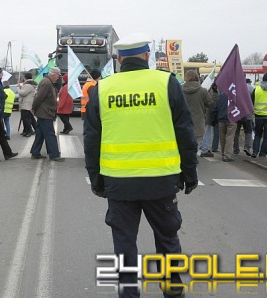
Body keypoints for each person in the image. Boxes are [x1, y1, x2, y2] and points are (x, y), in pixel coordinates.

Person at [83, 32, 198, 298]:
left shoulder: (104, 88)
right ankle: (172, 291)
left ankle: (128, 294)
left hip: (118, 183)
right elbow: (185, 133)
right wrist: (190, 174)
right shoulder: (166, 83)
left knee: (124, 245)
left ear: (119, 59)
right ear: (147, 56)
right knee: (168, 240)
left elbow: (92, 140)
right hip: (161, 181)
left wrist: (96, 180)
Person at [30, 67, 64, 161]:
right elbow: (39, 97)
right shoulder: (46, 82)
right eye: (58, 76)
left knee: (40, 134)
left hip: (44, 112)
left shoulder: (48, 82)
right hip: (45, 112)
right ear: (53, 75)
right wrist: (33, 107)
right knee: (50, 134)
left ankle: (35, 152)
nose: (58, 78)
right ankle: (54, 154)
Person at [182, 70, 211, 150]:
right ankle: (194, 159)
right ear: (197, 78)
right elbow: (210, 104)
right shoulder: (203, 91)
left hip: (183, 123)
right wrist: (214, 93)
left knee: (184, 147)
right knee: (196, 146)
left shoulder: (180, 90)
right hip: (198, 122)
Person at [212, 92, 236, 162]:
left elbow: (215, 108)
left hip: (221, 119)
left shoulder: (221, 96)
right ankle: (227, 155)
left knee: (222, 137)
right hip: (232, 118)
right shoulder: (235, 96)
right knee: (230, 137)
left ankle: (223, 153)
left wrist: (214, 119)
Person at [199, 82, 218, 157]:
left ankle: (203, 148)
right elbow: (212, 103)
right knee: (207, 133)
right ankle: (204, 149)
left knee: (203, 133)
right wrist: (216, 93)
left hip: (200, 116)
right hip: (208, 116)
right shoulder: (208, 92)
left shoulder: (202, 90)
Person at [18, 72, 37, 137]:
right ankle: (27, 130)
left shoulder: (28, 85)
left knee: (25, 118)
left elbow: (23, 93)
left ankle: (29, 130)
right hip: (28, 103)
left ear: (25, 77)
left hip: (26, 104)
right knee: (29, 118)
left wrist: (18, 88)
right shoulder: (30, 85)